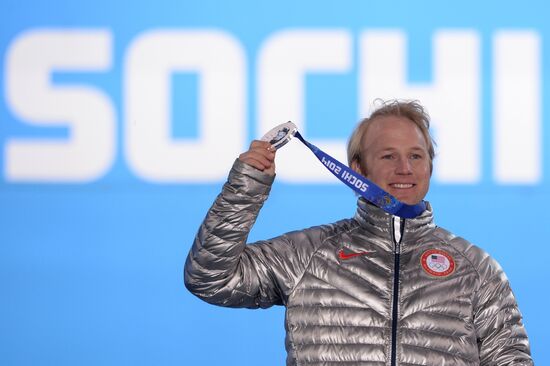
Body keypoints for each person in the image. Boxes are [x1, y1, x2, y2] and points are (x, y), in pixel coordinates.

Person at [184, 100, 533, 365]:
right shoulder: (309, 254)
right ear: (357, 169)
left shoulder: (475, 269)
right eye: (387, 156)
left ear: (430, 165)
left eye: (416, 156)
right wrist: (247, 187)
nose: (404, 169)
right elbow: (209, 278)